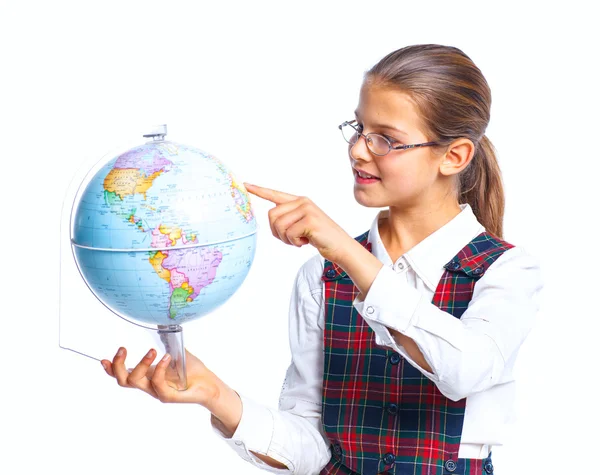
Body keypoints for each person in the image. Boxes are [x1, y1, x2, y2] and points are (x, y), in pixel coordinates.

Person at [101, 43, 544, 475]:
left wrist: (347, 251)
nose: (357, 149)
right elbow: (313, 450)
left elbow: (465, 370)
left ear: (454, 156)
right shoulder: (323, 277)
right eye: (358, 129)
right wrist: (214, 394)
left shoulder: (505, 272)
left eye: (386, 140)